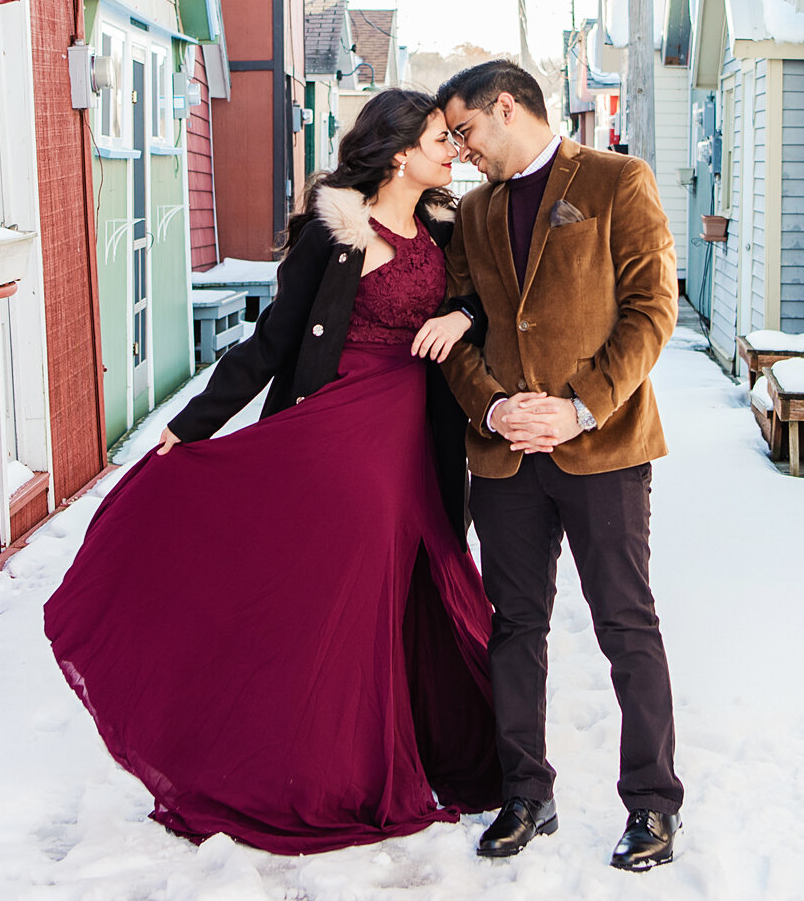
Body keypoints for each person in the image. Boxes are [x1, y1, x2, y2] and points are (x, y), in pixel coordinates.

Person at [43, 88, 501, 855]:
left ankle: (454, 745)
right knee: (346, 602)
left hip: (416, 435)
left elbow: (484, 300)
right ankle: (327, 772)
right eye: (436, 139)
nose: (450, 149)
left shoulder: (447, 229)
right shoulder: (335, 233)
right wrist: (192, 424)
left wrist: (463, 316)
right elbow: (271, 342)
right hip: (338, 438)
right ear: (396, 155)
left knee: (418, 581)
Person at [435, 60, 685, 873]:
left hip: (601, 449)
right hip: (506, 458)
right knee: (514, 628)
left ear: (507, 108)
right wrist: (493, 408)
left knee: (626, 623)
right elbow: (458, 331)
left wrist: (578, 405)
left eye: (467, 130)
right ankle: (525, 793)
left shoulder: (617, 181)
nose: (461, 148)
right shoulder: (472, 213)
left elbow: (653, 309)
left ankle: (651, 804)